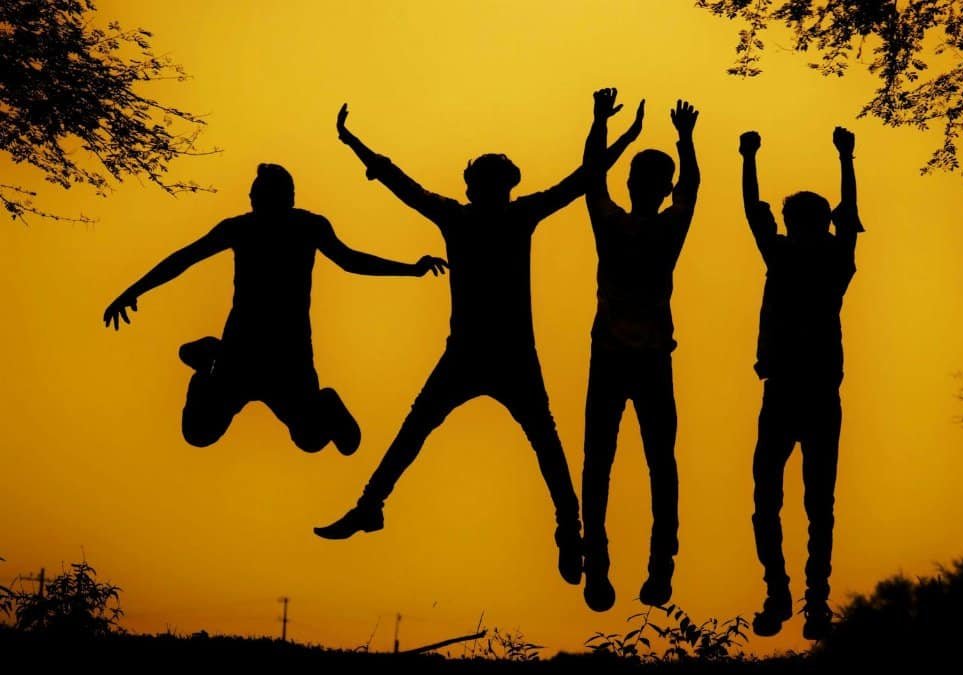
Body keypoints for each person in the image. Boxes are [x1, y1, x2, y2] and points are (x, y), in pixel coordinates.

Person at [314, 99, 642, 586]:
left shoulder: (465, 217)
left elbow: (401, 183)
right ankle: (568, 530)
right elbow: (582, 179)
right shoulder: (510, 215)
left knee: (432, 431)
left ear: (479, 187)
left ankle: (371, 506)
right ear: (504, 186)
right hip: (488, 354)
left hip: (484, 354)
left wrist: (354, 144)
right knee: (537, 444)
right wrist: (614, 131)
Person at [102, 163, 447, 456]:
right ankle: (205, 364)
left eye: (259, 195)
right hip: (240, 353)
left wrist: (410, 269)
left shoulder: (306, 227)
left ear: (284, 198)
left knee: (312, 440)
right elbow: (185, 258)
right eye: (253, 196)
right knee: (198, 434)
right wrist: (134, 290)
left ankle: (311, 397)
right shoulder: (241, 228)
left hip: (288, 356)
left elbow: (350, 260)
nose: (253, 201)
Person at [739, 127, 864, 640]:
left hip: (800, 393)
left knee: (791, 501)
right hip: (801, 393)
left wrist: (748, 158)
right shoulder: (826, 258)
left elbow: (755, 211)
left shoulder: (795, 257)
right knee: (803, 503)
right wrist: (845, 158)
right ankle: (798, 596)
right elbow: (846, 216)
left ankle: (798, 596)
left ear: (798, 224)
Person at [578, 89, 700, 611]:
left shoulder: (614, 223)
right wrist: (686, 140)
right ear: (660, 187)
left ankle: (603, 563)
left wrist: (601, 124)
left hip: (617, 355)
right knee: (658, 462)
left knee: (601, 462)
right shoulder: (668, 227)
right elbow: (691, 188)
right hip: (647, 357)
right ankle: (657, 565)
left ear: (632, 185)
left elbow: (591, 177)